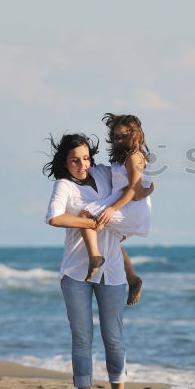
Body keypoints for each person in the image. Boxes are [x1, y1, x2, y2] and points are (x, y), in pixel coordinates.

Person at [44, 133, 153, 389]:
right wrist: (91, 222)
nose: (82, 165)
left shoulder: (104, 173)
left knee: (113, 337)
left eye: (85, 158)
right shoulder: (64, 186)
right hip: (76, 272)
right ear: (64, 163)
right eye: (74, 160)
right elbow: (54, 217)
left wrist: (142, 179)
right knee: (82, 339)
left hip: (113, 270)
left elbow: (133, 182)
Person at [79, 113, 154, 306]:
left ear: (135, 135)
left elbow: (133, 189)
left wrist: (112, 208)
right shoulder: (127, 157)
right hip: (128, 202)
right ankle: (132, 279)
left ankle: (95, 257)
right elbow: (139, 189)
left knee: (84, 215)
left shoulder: (134, 157)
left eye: (123, 137)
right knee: (112, 241)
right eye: (115, 137)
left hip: (127, 205)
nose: (118, 141)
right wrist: (147, 190)